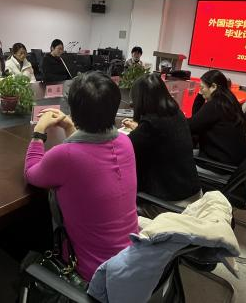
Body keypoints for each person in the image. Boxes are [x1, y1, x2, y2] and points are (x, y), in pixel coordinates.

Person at [24, 71, 138, 282]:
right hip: (130, 261)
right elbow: (85, 155)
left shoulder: (65, 155)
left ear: (73, 109)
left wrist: (39, 131)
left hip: (94, 272)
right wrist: (69, 126)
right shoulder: (125, 142)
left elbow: (32, 173)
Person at [121, 73, 201, 210]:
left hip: (172, 201)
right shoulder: (176, 113)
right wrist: (139, 128)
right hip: (192, 191)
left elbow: (125, 147)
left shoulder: (150, 124)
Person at [188, 70, 246, 167]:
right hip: (233, 161)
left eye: (202, 87)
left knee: (176, 161)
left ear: (213, 86)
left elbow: (191, 126)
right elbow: (197, 119)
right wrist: (202, 92)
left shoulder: (215, 105)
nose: (200, 91)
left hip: (219, 165)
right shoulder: (229, 101)